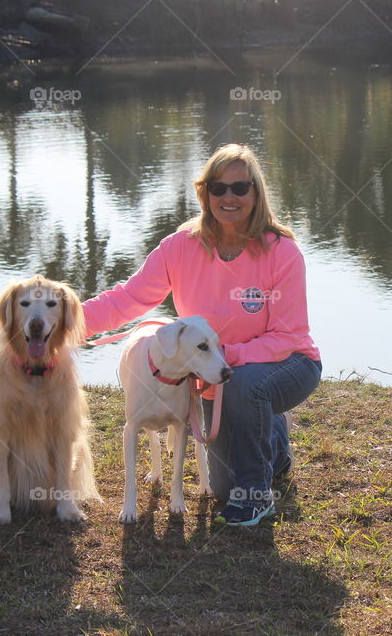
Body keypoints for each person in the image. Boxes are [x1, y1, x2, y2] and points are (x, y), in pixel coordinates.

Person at [82, 143, 322, 526]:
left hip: (289, 365)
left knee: (245, 390)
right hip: (217, 374)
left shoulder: (282, 252)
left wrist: (227, 355)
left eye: (240, 188)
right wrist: (71, 322)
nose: (228, 197)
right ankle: (274, 447)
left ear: (256, 193)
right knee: (225, 486)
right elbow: (129, 297)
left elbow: (289, 336)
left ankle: (257, 497)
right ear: (204, 192)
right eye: (218, 187)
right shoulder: (180, 246)